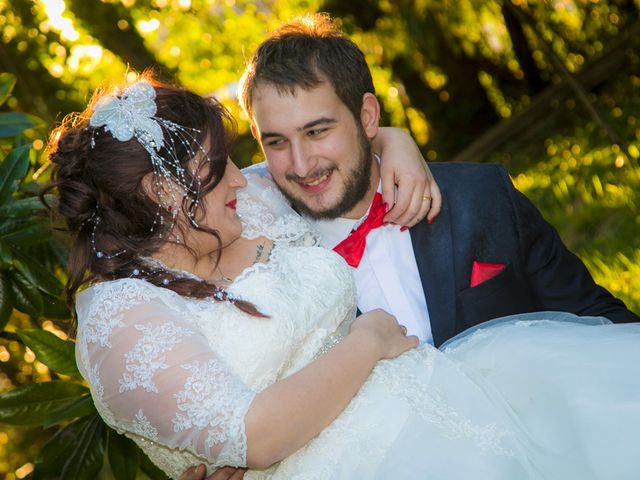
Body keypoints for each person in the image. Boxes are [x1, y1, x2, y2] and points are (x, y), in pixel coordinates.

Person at [50, 76, 640, 480]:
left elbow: (310, 156)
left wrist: (394, 141)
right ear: (161, 191)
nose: (238, 178)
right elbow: (253, 436)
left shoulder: (241, 204)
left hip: (455, 396)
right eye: (216, 168)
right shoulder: (119, 323)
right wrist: (369, 343)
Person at [181, 12, 639, 480]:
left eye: (318, 131)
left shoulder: (483, 197)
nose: (301, 164)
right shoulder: (258, 261)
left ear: (367, 116)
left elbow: (597, 321)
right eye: (277, 141)